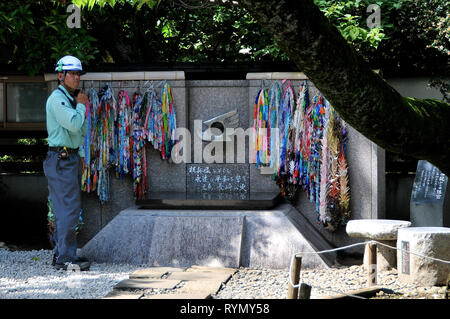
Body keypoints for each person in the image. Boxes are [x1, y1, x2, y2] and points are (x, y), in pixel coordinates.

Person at [43, 55, 90, 271]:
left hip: (68, 158)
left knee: (66, 209)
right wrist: (81, 106)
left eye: (78, 73)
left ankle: (62, 254)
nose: (76, 78)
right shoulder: (58, 99)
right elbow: (73, 124)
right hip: (61, 160)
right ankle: (65, 258)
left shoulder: (67, 98)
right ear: (60, 76)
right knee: (67, 210)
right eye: (72, 73)